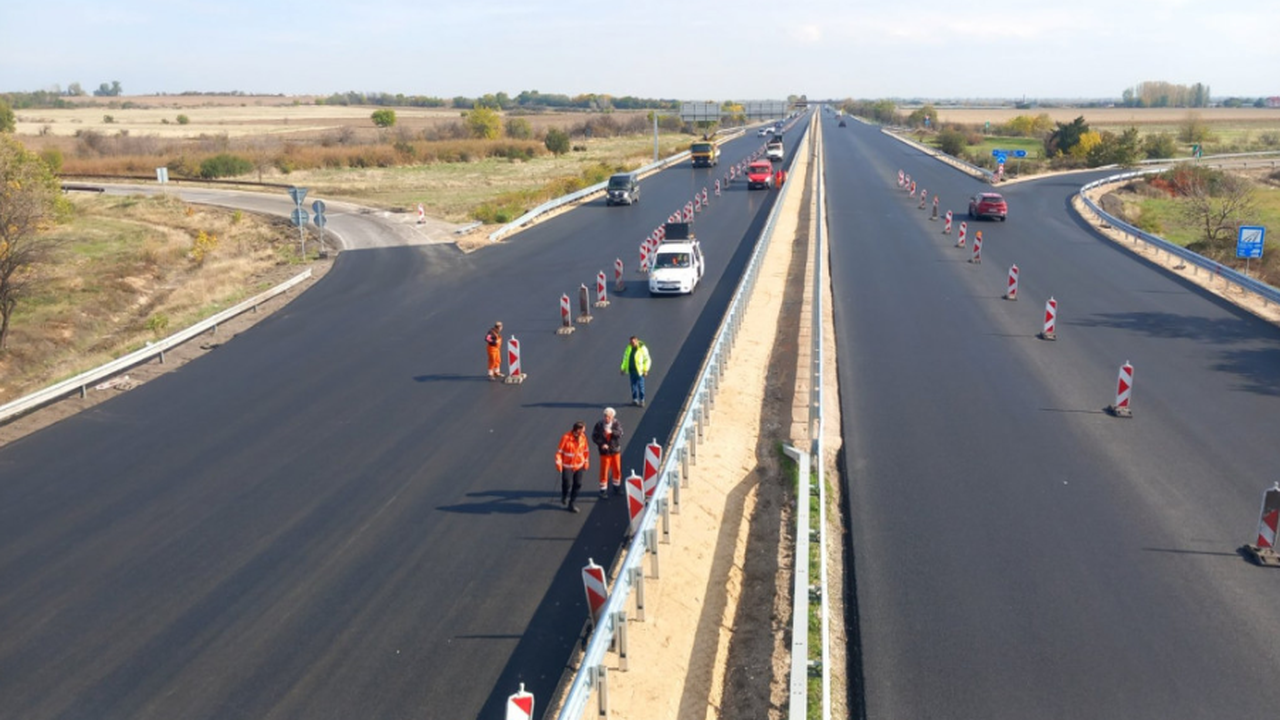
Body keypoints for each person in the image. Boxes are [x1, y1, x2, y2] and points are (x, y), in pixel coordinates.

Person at [555, 421, 590, 513]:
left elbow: (586, 450)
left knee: (578, 484)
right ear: (578, 430)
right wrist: (559, 464)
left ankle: (572, 503)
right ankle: (564, 495)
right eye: (583, 429)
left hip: (579, 465)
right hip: (568, 465)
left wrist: (586, 461)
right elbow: (559, 452)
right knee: (567, 483)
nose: (584, 431)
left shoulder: (583, 437)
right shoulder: (566, 438)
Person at [592, 408, 625, 498]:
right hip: (605, 453)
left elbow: (620, 433)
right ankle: (603, 490)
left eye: (608, 417)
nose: (606, 418)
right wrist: (601, 444)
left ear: (612, 417)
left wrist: (612, 432)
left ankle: (616, 487)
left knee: (617, 469)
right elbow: (594, 436)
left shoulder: (616, 424)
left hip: (615, 451)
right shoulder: (599, 425)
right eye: (605, 416)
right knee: (604, 470)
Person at [620, 336, 651, 407]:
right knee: (633, 386)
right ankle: (635, 400)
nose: (632, 344)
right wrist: (623, 368)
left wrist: (645, 370)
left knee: (641, 386)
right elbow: (625, 358)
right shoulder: (628, 348)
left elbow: (647, 360)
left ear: (637, 341)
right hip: (631, 370)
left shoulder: (642, 349)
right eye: (630, 342)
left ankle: (642, 400)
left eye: (633, 342)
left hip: (639, 371)